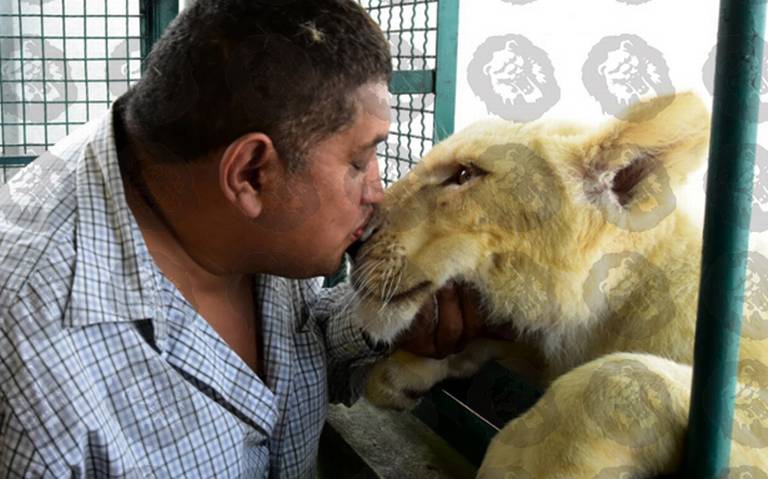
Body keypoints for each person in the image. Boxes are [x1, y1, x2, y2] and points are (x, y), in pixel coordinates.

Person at [0, 0, 486, 476]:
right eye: (359, 162)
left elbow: (292, 355)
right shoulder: (34, 364)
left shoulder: (213, 191)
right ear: (250, 174)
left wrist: (388, 315)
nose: (378, 195)